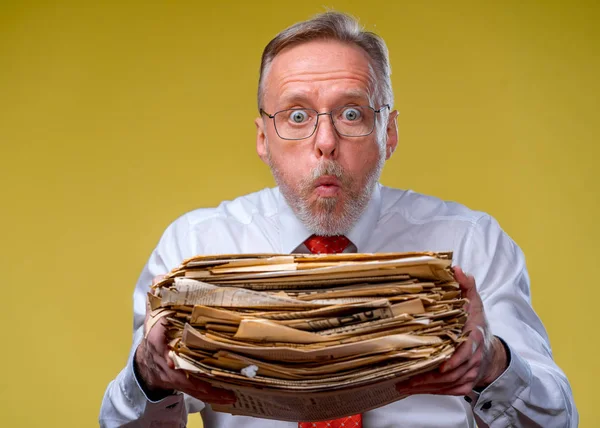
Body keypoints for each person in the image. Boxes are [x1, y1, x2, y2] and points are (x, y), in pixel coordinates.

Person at [99, 11, 577, 428]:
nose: (325, 141)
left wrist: (492, 364)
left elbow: (557, 420)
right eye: (297, 115)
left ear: (388, 132)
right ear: (263, 138)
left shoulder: (473, 244)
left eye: (351, 113)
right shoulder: (194, 246)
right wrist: (148, 377)